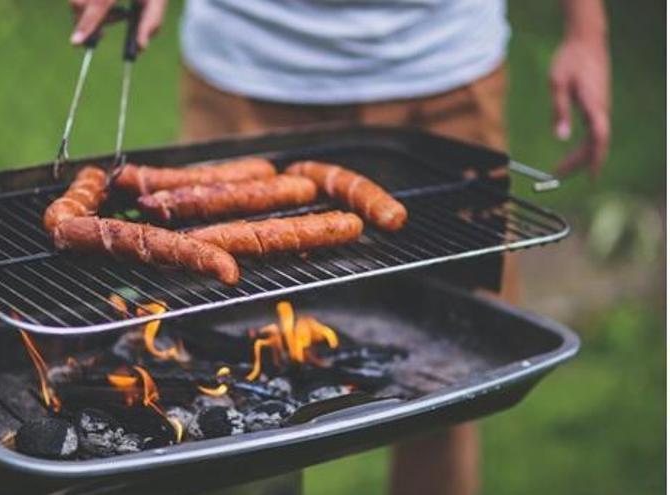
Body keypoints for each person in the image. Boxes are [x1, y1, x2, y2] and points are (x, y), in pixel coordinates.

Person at [68, 1, 611, 494]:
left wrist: (587, 32)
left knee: (452, 382)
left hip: (444, 69)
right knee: (214, 383)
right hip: (248, 66)